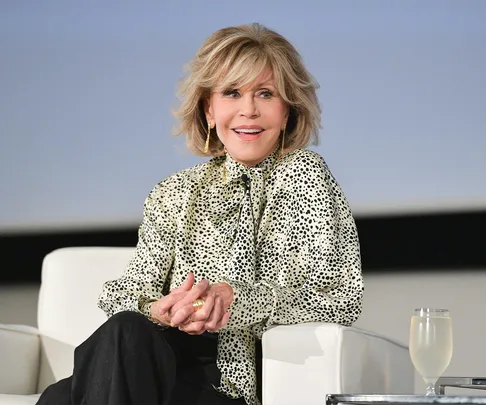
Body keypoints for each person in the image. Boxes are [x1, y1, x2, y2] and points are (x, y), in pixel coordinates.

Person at [37, 23, 363, 405]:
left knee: (65, 396)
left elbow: (337, 298)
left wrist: (232, 301)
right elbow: (125, 293)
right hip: (154, 362)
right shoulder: (173, 191)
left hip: (228, 382)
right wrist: (157, 309)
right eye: (232, 93)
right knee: (125, 330)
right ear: (209, 109)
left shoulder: (305, 175)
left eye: (265, 93)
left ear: (288, 109)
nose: (249, 110)